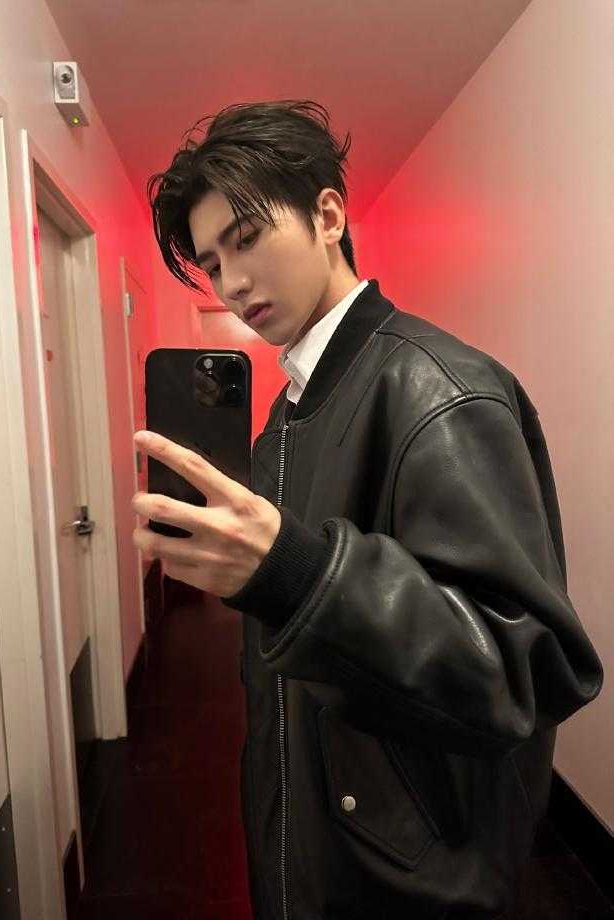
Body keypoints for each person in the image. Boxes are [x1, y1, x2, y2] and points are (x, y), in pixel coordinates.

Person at [138, 100, 604, 919]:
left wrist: (294, 574)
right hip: (312, 834)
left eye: (247, 238)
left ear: (328, 216)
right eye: (212, 263)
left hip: (407, 875)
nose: (233, 283)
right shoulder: (291, 409)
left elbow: (524, 672)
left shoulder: (441, 391)